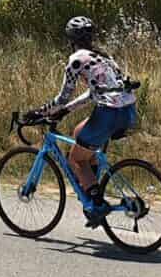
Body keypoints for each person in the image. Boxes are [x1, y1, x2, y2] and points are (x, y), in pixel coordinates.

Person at [36, 14, 137, 202]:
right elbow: (94, 93)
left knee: (76, 159)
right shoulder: (104, 57)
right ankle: (91, 184)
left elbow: (61, 98)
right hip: (128, 112)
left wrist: (39, 112)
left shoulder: (76, 60)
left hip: (109, 114)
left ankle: (96, 202)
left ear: (71, 39)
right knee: (78, 132)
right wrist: (67, 110)